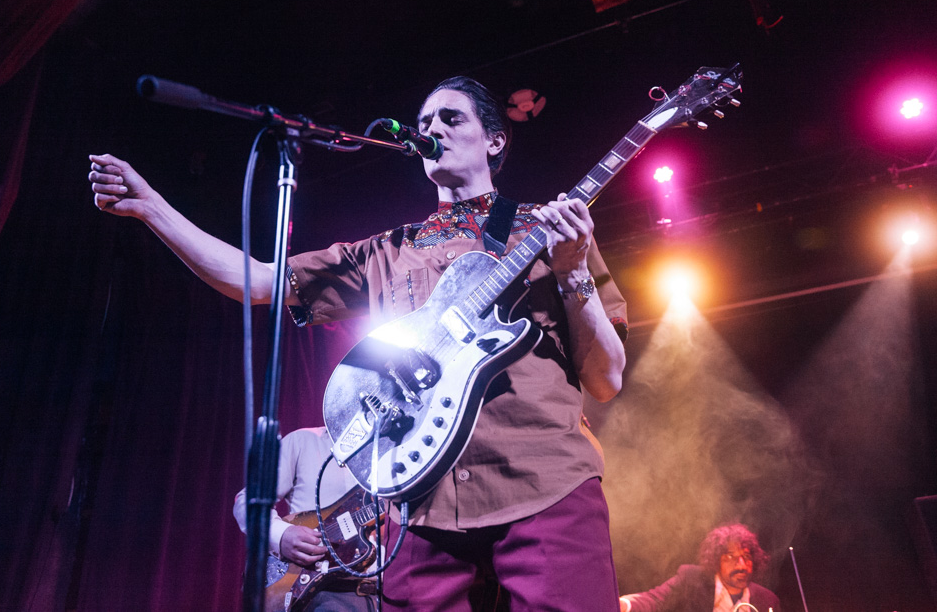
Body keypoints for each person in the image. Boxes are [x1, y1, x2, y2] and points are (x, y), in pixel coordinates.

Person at [88, 76, 629, 611]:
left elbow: (605, 379)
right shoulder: (385, 252)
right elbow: (256, 280)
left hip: (547, 488)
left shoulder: (553, 231)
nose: (432, 128)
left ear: (495, 140)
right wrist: (152, 208)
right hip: (422, 509)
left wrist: (574, 270)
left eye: (451, 118)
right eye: (424, 123)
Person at [232, 427, 376, 611]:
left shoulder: (401, 453)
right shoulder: (303, 441)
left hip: (393, 595)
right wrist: (281, 535)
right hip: (320, 594)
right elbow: (247, 500)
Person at [619, 524, 781, 612]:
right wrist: (623, 605)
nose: (741, 564)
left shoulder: (768, 600)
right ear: (716, 559)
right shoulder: (691, 580)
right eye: (730, 556)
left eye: (746, 557)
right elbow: (655, 600)